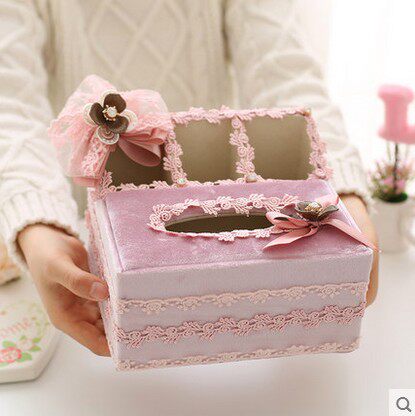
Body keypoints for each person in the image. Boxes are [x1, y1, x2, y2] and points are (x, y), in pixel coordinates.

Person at [0, 0, 378, 357]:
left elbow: (284, 70)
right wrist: (38, 225)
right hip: (80, 234)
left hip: (237, 220)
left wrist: (342, 191)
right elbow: (9, 100)